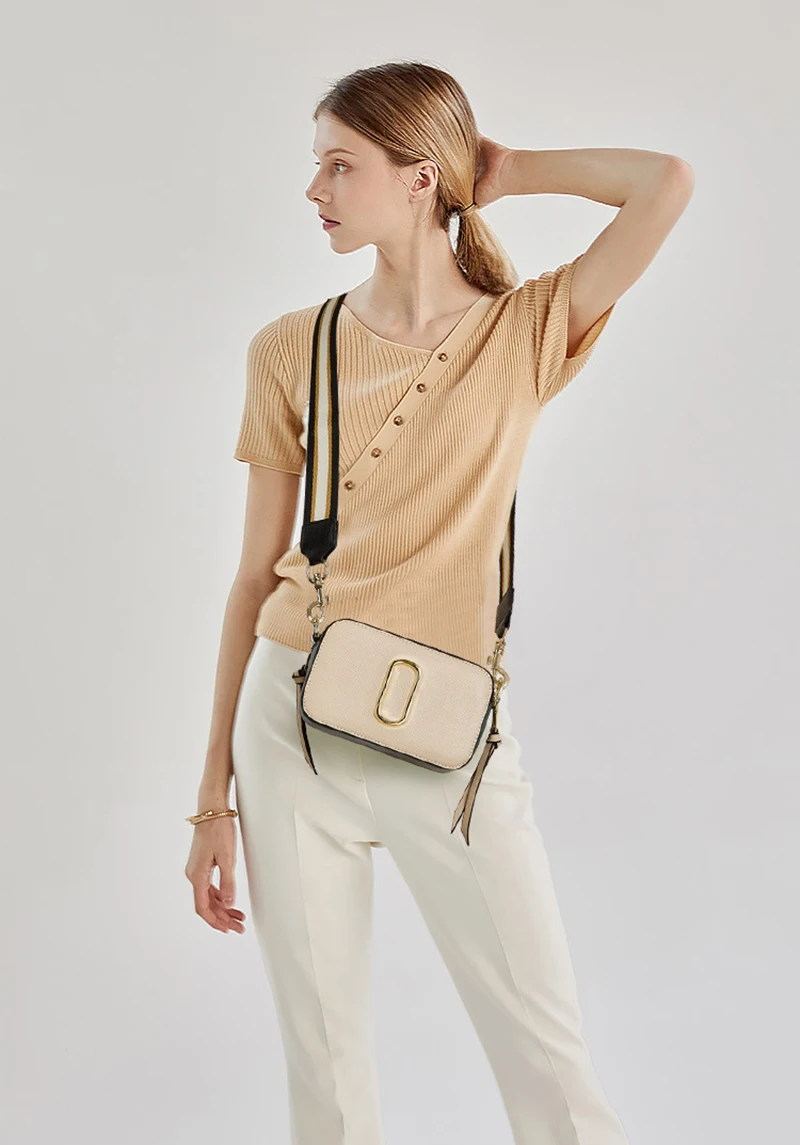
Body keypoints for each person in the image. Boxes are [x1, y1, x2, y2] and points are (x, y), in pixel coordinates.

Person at [184, 60, 693, 1145]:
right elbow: (251, 578)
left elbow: (664, 184)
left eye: (340, 165)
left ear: (419, 179)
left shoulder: (526, 330)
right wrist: (210, 800)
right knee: (326, 1083)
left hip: (451, 740)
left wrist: (503, 172)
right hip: (288, 727)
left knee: (553, 1076)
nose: (314, 188)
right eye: (315, 164)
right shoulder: (290, 346)